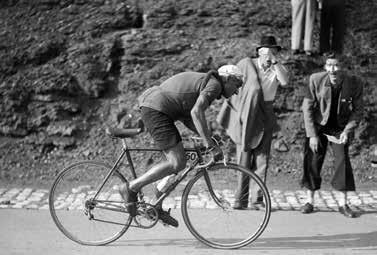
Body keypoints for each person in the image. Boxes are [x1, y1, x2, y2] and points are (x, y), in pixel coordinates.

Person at [119, 65, 245, 227]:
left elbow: (189, 118)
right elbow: (196, 113)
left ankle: (156, 204)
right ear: (228, 78)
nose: (237, 91)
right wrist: (210, 145)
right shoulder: (215, 85)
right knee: (177, 161)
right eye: (238, 85)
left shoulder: (209, 82)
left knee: (179, 160)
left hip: (157, 106)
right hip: (156, 108)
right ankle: (130, 188)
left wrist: (209, 139)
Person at [217, 35, 289, 209]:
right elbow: (231, 84)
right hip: (246, 115)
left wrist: (275, 62)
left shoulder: (277, 69)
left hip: (266, 114)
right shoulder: (246, 65)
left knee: (262, 158)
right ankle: (240, 200)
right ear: (259, 52)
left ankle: (257, 200)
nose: (270, 55)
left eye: (274, 51)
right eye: (267, 51)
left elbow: (285, 81)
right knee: (244, 156)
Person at [301, 52, 363, 218]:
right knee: (313, 160)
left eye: (336, 65)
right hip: (318, 126)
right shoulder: (315, 80)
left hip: (340, 128)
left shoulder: (355, 83)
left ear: (343, 67)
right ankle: (309, 201)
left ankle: (343, 204)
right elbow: (306, 108)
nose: (333, 69)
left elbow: (358, 111)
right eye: (329, 65)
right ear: (325, 66)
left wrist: (347, 130)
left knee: (342, 162)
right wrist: (312, 135)